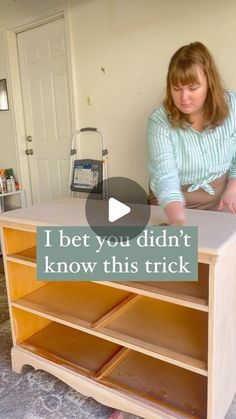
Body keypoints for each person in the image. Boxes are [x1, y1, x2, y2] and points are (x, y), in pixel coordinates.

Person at [147, 41, 236, 225]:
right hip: (171, 202)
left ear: (209, 83)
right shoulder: (159, 121)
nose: (183, 98)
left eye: (193, 88)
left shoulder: (233, 107)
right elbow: (165, 175)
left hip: (221, 198)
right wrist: (178, 219)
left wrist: (233, 188)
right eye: (176, 89)